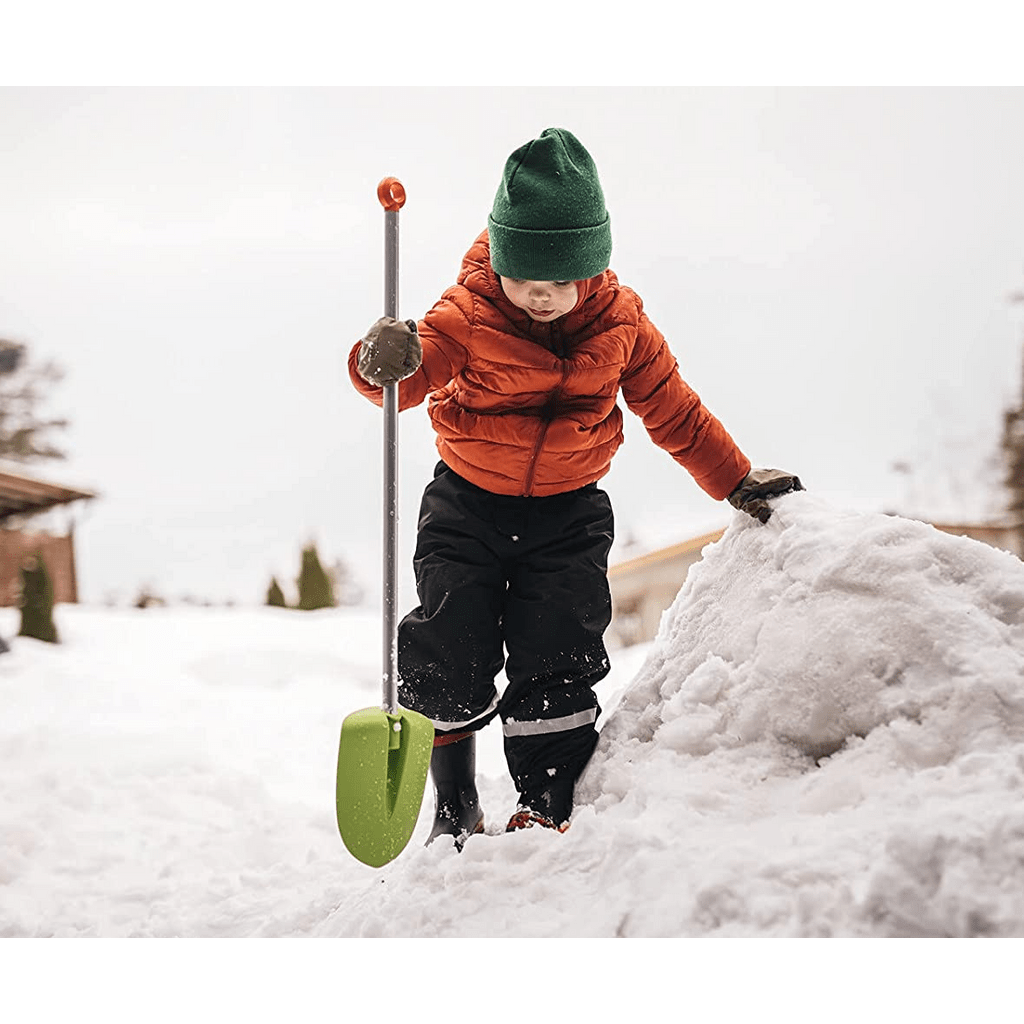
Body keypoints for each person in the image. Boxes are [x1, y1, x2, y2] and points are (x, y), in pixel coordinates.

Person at [349, 128, 801, 846]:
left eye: (558, 281)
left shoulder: (622, 326)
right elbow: (406, 377)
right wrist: (381, 360)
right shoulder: (465, 313)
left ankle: (544, 798)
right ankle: (453, 803)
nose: (540, 296)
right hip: (466, 506)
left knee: (558, 655)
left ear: (590, 267)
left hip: (568, 517)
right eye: (524, 279)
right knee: (449, 646)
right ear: (498, 259)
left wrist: (737, 479)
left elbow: (673, 409)